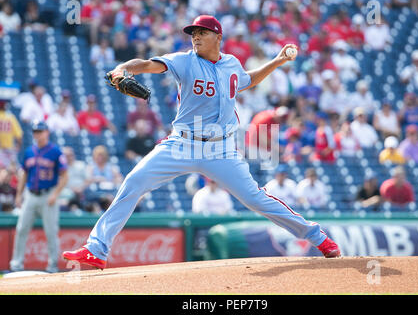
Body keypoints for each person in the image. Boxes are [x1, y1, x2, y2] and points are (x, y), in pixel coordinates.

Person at [63, 15, 341, 269]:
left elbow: (246, 80)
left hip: (220, 149)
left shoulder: (231, 64)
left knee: (257, 199)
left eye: (202, 32)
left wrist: (277, 61)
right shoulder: (184, 61)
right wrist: (123, 68)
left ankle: (318, 238)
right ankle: (97, 249)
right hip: (181, 144)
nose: (195, 37)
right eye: (193, 33)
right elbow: (147, 64)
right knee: (133, 183)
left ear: (218, 37)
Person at [10, 121, 68, 273]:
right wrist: (19, 195)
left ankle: (52, 266)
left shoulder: (55, 151)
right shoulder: (29, 151)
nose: (38, 134)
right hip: (30, 195)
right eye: (35, 131)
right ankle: (16, 264)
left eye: (40, 131)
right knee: (21, 228)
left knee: (51, 232)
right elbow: (23, 174)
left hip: (48, 195)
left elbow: (65, 176)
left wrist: (55, 194)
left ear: (47, 132)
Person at [84, 145, 123, 213]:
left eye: (101, 155)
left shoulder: (111, 167)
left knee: (114, 196)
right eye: (98, 155)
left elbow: (120, 179)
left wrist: (110, 181)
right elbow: (86, 181)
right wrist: (97, 179)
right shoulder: (91, 167)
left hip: (109, 191)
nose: (100, 157)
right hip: (96, 192)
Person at [57, 147, 88, 213]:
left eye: (70, 155)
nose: (68, 157)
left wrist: (80, 189)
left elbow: (88, 180)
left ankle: (75, 208)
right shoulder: (60, 168)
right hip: (66, 192)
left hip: (80, 192)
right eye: (66, 156)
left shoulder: (81, 165)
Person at [0, 99, 23, 168]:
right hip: (9, 149)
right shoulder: (10, 117)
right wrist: (18, 146)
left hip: (4, 149)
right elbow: (19, 135)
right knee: (11, 171)